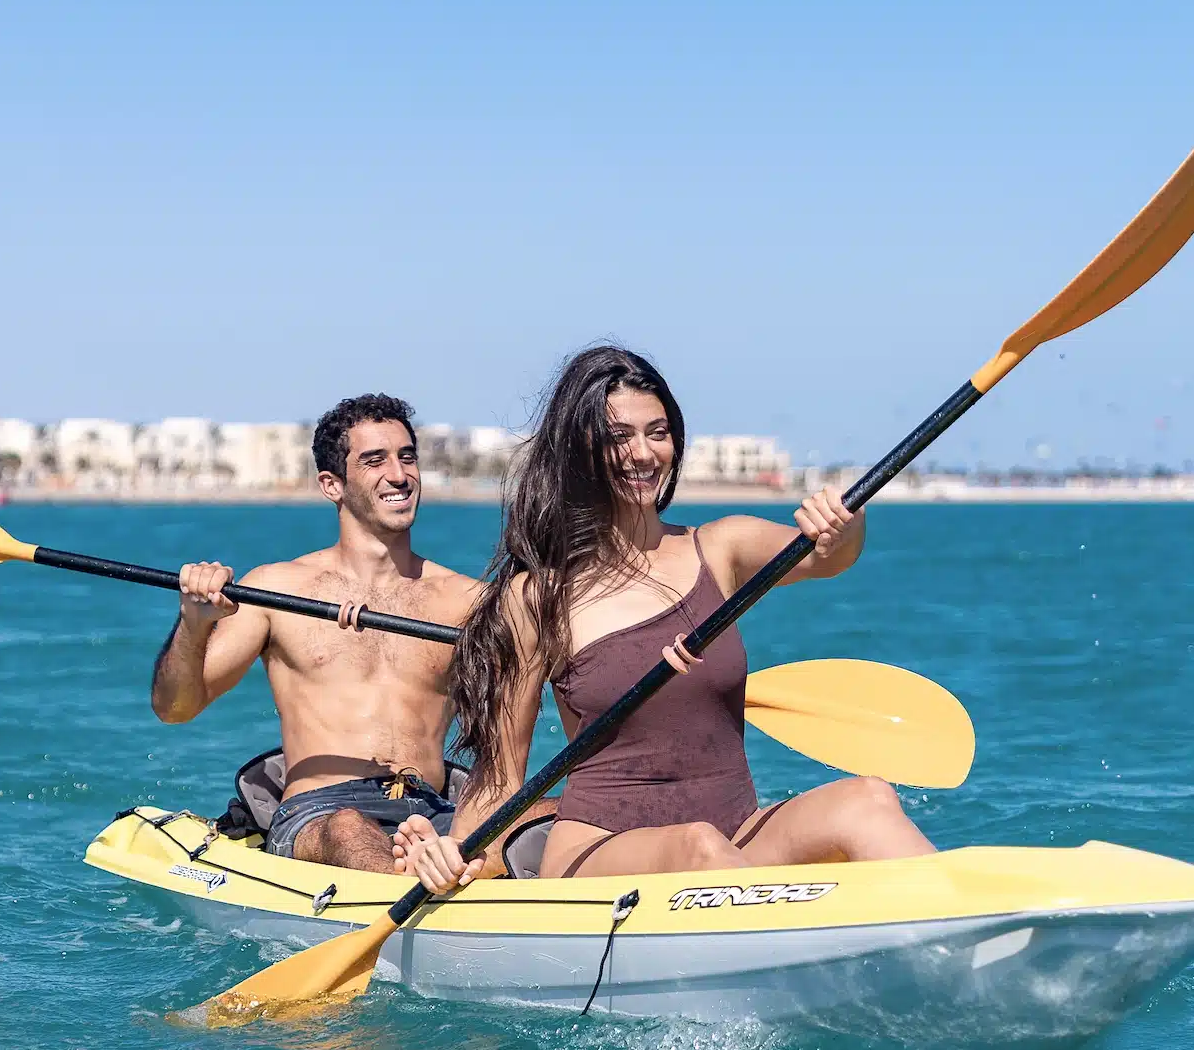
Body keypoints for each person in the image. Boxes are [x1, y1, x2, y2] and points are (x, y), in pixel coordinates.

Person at [392, 344, 933, 893]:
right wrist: (455, 853)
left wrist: (846, 521)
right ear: (578, 452)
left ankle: (973, 937)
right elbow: (501, 775)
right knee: (697, 846)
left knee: (868, 798)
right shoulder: (536, 599)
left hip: (736, 836)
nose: (643, 453)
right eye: (619, 436)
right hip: (599, 851)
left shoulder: (721, 548)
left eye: (658, 432)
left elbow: (826, 556)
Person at [151, 394, 482, 875]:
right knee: (348, 828)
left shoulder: (466, 601)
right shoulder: (277, 589)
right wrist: (194, 621)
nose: (399, 475)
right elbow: (175, 708)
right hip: (320, 813)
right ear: (332, 485)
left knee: (548, 814)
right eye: (375, 460)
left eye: (407, 457)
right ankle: (412, 895)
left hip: (430, 808)